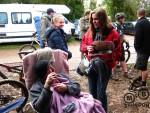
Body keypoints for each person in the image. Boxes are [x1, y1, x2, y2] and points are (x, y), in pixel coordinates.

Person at [80, 8, 121, 112]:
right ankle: (95, 110)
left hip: (104, 67)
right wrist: (87, 48)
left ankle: (102, 110)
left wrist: (106, 51)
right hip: (90, 66)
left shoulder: (113, 32)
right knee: (92, 92)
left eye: (96, 19)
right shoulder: (90, 31)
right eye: (92, 19)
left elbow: (118, 52)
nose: (94, 21)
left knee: (100, 93)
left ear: (103, 19)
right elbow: (82, 46)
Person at [30, 60, 106, 113]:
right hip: (58, 109)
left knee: (95, 105)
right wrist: (47, 86)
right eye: (49, 69)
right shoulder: (36, 88)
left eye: (51, 66)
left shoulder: (60, 76)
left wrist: (66, 88)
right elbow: (39, 108)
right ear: (42, 73)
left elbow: (77, 87)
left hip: (75, 101)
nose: (53, 69)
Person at [132, 8, 150, 88]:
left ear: (137, 14)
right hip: (148, 48)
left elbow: (137, 37)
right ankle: (142, 78)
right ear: (144, 14)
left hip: (142, 49)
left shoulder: (139, 23)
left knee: (143, 67)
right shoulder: (148, 22)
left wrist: (136, 47)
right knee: (143, 66)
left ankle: (143, 84)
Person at [112, 12, 132, 79]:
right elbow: (118, 36)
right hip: (116, 46)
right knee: (115, 60)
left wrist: (126, 42)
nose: (124, 20)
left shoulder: (121, 25)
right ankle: (112, 74)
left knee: (122, 59)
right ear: (120, 19)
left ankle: (125, 73)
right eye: (123, 18)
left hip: (120, 46)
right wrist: (125, 40)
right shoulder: (115, 26)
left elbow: (122, 35)